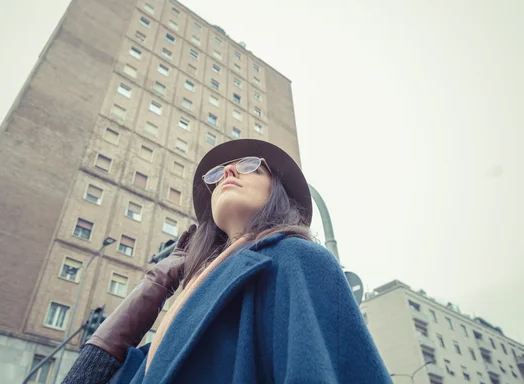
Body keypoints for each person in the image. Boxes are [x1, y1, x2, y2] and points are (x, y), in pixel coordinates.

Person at [63, 139, 392, 383]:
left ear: (277, 190)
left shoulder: (297, 257)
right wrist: (159, 280)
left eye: (250, 165)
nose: (228, 172)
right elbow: (86, 377)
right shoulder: (186, 310)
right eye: (217, 174)